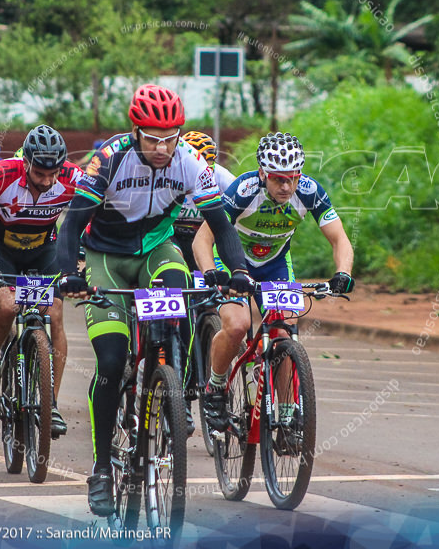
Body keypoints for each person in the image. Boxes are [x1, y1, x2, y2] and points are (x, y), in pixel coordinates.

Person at [55, 85, 252, 517]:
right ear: (134, 131)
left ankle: (171, 387)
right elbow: (72, 225)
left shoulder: (189, 161)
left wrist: (238, 271)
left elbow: (221, 223)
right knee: (110, 361)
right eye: (153, 138)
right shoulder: (108, 160)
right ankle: (102, 468)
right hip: (106, 258)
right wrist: (70, 274)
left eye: (171, 136)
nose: (163, 147)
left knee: (179, 287)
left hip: (156, 251)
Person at [193, 132, 355, 440]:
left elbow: (339, 238)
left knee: (284, 329)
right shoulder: (243, 190)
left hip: (275, 264)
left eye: (292, 178)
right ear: (263, 173)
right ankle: (215, 387)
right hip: (233, 260)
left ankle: (286, 415)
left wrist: (342, 273)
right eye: (279, 179)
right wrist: (212, 272)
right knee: (238, 324)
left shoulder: (309, 191)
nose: (286, 187)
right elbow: (204, 238)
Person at [0, 125, 81, 438]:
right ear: (27, 163)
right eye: (40, 173)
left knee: (56, 315)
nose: (47, 180)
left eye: (53, 173)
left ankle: (52, 403)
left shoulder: (72, 177)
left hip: (44, 247)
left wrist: (81, 260)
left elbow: (93, 216)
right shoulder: (2, 173)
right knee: (7, 307)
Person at [173, 131, 237, 272]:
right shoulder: (172, 173)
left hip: (203, 236)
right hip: (173, 235)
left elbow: (239, 203)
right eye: (202, 161)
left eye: (211, 162)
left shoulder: (222, 176)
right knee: (177, 264)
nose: (207, 169)